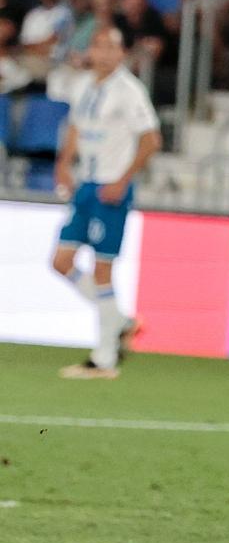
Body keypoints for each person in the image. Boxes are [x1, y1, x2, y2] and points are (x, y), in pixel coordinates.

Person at [51, 25, 160, 379]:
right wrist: (64, 163)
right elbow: (75, 127)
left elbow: (150, 139)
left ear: (121, 53)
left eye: (112, 47)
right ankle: (121, 322)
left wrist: (123, 179)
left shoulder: (129, 91)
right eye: (99, 46)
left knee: (102, 270)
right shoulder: (83, 85)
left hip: (111, 189)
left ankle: (104, 359)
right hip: (86, 185)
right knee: (61, 261)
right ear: (92, 51)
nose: (105, 53)